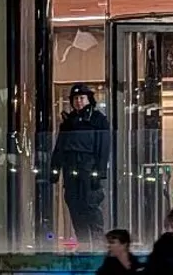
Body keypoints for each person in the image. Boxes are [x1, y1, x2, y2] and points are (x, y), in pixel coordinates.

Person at [50, 83, 110, 248]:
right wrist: (54, 170)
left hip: (89, 168)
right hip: (71, 169)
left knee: (90, 205)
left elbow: (103, 148)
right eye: (75, 98)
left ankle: (97, 243)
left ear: (89, 99)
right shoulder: (68, 122)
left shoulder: (98, 119)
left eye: (82, 98)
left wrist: (100, 172)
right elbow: (59, 148)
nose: (78, 101)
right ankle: (83, 242)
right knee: (74, 204)